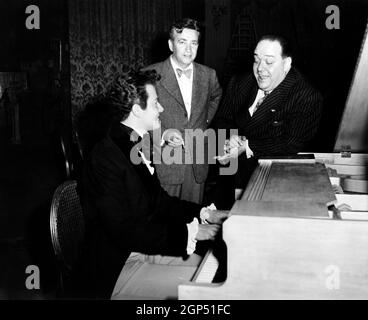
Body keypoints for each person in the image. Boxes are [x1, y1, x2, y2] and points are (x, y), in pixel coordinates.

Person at [76, 69, 227, 299]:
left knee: (212, 269)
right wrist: (190, 234)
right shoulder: (105, 157)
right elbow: (123, 231)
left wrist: (204, 213)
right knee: (205, 290)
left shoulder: (131, 143)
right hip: (114, 267)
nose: (162, 109)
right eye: (156, 103)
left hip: (138, 246)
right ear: (137, 110)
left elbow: (159, 201)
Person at [213, 35, 323, 205]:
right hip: (231, 177)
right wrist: (229, 138)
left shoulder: (306, 96)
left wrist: (247, 146)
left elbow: (291, 142)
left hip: (274, 185)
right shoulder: (239, 82)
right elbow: (222, 119)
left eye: (269, 62)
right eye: (256, 60)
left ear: (286, 64)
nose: (260, 69)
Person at [143, 18, 222, 204]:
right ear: (171, 45)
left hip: (197, 164)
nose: (189, 50)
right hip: (165, 160)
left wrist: (204, 122)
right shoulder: (150, 74)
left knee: (194, 219)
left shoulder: (209, 75)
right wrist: (162, 136)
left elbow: (216, 96)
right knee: (165, 223)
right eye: (182, 42)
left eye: (193, 43)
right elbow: (139, 115)